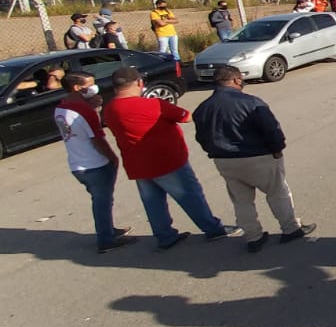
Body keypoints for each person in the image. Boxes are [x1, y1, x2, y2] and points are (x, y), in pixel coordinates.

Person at [102, 67, 241, 249]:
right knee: (190, 196)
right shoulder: (154, 104)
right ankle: (213, 229)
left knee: (153, 203)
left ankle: (165, 236)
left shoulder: (109, 109)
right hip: (167, 161)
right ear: (139, 83)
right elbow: (186, 117)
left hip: (137, 164)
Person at [194, 66, 315, 253]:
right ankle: (290, 228)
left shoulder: (203, 108)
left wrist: (215, 152)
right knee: (277, 192)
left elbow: (201, 137)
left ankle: (253, 237)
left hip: (224, 160)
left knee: (241, 201)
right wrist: (277, 149)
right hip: (258, 156)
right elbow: (271, 129)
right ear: (235, 80)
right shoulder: (250, 102)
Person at [55, 71, 136, 253]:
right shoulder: (83, 112)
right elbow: (97, 138)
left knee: (102, 200)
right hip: (95, 164)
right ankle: (106, 239)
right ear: (77, 87)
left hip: (77, 164)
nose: (94, 87)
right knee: (103, 201)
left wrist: (95, 110)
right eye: (90, 84)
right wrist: (112, 158)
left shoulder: (61, 108)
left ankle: (108, 229)